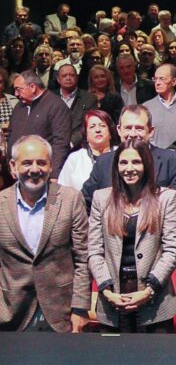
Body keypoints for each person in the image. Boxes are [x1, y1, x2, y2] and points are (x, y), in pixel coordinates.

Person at [88, 140, 176, 333]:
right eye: (123, 163)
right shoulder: (100, 198)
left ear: (146, 165)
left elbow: (171, 250)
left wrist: (149, 290)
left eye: (136, 162)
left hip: (155, 301)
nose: (129, 168)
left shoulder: (165, 198)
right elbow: (94, 251)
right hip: (112, 299)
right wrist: (106, 290)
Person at [0, 135, 91, 332]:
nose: (35, 169)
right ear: (13, 167)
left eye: (41, 162)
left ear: (50, 166)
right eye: (27, 163)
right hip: (10, 316)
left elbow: (83, 258)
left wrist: (80, 308)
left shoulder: (70, 199)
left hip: (62, 313)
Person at [82, 105, 176, 232]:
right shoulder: (104, 162)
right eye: (128, 128)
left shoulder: (171, 161)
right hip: (113, 243)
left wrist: (170, 246)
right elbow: (84, 203)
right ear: (119, 130)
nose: (133, 134)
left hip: (157, 243)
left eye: (139, 128)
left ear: (151, 131)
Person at [9, 71, 71, 178]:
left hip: (41, 172)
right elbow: (11, 134)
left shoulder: (55, 106)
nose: (16, 94)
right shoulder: (19, 107)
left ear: (32, 87)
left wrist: (54, 174)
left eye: (19, 89)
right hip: (17, 171)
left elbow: (60, 143)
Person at [58, 109, 118, 192]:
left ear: (110, 132)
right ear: (86, 135)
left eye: (102, 126)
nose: (98, 130)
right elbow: (61, 188)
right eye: (92, 126)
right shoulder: (75, 158)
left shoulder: (120, 154)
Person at [142, 63, 176, 150]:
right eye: (155, 79)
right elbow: (143, 135)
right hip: (155, 157)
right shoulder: (146, 107)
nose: (157, 83)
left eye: (162, 79)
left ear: (173, 82)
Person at [53, 64, 98, 149]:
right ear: (58, 79)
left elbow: (89, 124)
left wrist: (72, 142)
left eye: (72, 75)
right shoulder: (50, 97)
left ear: (77, 78)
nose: (68, 78)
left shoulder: (89, 99)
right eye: (64, 75)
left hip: (79, 146)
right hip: (54, 145)